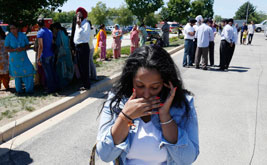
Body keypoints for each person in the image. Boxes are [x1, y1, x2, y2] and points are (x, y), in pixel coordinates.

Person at [96, 45, 199, 164]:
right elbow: (105, 154)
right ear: (131, 81)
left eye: (154, 87)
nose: (146, 94)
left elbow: (187, 159)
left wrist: (165, 116)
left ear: (166, 84)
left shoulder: (182, 104)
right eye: (140, 86)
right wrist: (125, 117)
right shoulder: (117, 100)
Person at [5, 23, 35, 94]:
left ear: (17, 28)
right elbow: (6, 48)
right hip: (14, 59)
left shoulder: (22, 35)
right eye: (11, 29)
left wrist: (23, 48)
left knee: (29, 71)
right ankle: (19, 91)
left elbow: (28, 45)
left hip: (23, 58)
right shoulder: (8, 37)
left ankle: (29, 90)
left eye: (13, 28)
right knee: (17, 75)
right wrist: (14, 50)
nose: (12, 30)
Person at [37, 18, 58, 93]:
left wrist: (38, 58)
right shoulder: (49, 31)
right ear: (44, 23)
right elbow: (52, 42)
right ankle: (55, 86)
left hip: (45, 54)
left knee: (47, 73)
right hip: (51, 53)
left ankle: (50, 88)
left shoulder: (40, 33)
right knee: (52, 71)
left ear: (38, 25)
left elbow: (40, 46)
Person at [50, 22, 74, 88]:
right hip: (67, 52)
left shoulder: (59, 33)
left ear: (55, 28)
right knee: (68, 67)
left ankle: (63, 84)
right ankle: (69, 81)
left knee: (61, 69)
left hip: (62, 54)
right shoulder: (64, 32)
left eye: (53, 29)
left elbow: (58, 43)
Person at [74, 7, 91, 89]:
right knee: (80, 67)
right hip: (78, 47)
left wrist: (80, 26)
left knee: (84, 67)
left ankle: (87, 85)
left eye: (79, 13)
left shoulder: (86, 24)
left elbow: (84, 36)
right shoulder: (78, 24)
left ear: (83, 14)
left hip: (83, 47)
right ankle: (83, 83)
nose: (77, 14)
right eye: (77, 13)